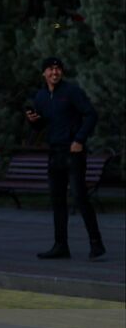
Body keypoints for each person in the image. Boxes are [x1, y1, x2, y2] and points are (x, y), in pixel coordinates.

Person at [26, 57, 105, 260]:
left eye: (58, 69)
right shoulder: (41, 96)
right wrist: (34, 122)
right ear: (43, 73)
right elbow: (43, 125)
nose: (55, 72)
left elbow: (91, 115)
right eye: (50, 69)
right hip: (55, 153)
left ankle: (96, 244)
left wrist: (79, 139)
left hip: (73, 153)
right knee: (57, 201)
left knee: (80, 198)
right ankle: (61, 246)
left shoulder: (71, 92)